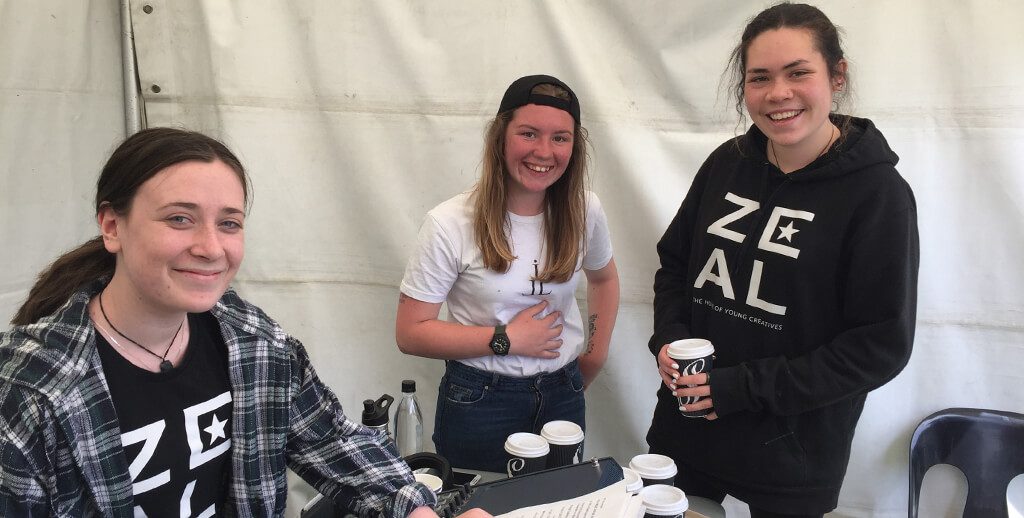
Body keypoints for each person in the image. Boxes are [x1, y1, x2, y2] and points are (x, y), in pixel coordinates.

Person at [0, 128, 487, 518]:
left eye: (229, 223)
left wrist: (414, 508)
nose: (211, 247)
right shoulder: (30, 393)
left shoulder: (253, 343)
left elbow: (332, 441)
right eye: (179, 219)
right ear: (112, 226)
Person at [646, 4, 919, 517]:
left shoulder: (878, 194)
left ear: (837, 76)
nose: (778, 93)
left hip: (793, 452)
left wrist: (742, 388)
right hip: (688, 429)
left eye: (798, 73)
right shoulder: (727, 163)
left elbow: (879, 345)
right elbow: (675, 265)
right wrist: (669, 338)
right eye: (760, 77)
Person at [395, 75, 620, 472]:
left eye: (560, 138)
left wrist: (594, 356)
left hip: (563, 394)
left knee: (562, 501)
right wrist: (506, 339)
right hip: (481, 402)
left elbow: (604, 279)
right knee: (479, 502)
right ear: (500, 137)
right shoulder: (450, 223)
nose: (544, 152)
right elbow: (411, 332)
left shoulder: (585, 211)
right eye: (528, 133)